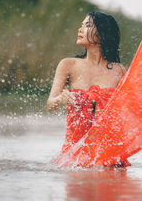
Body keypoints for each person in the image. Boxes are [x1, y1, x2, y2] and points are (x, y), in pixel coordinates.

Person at [47, 11, 129, 166]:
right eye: (81, 25)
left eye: (88, 25)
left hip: (109, 156)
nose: (80, 29)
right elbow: (50, 104)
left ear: (103, 35)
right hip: (74, 156)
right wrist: (60, 98)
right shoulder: (68, 65)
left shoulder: (119, 70)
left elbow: (127, 111)